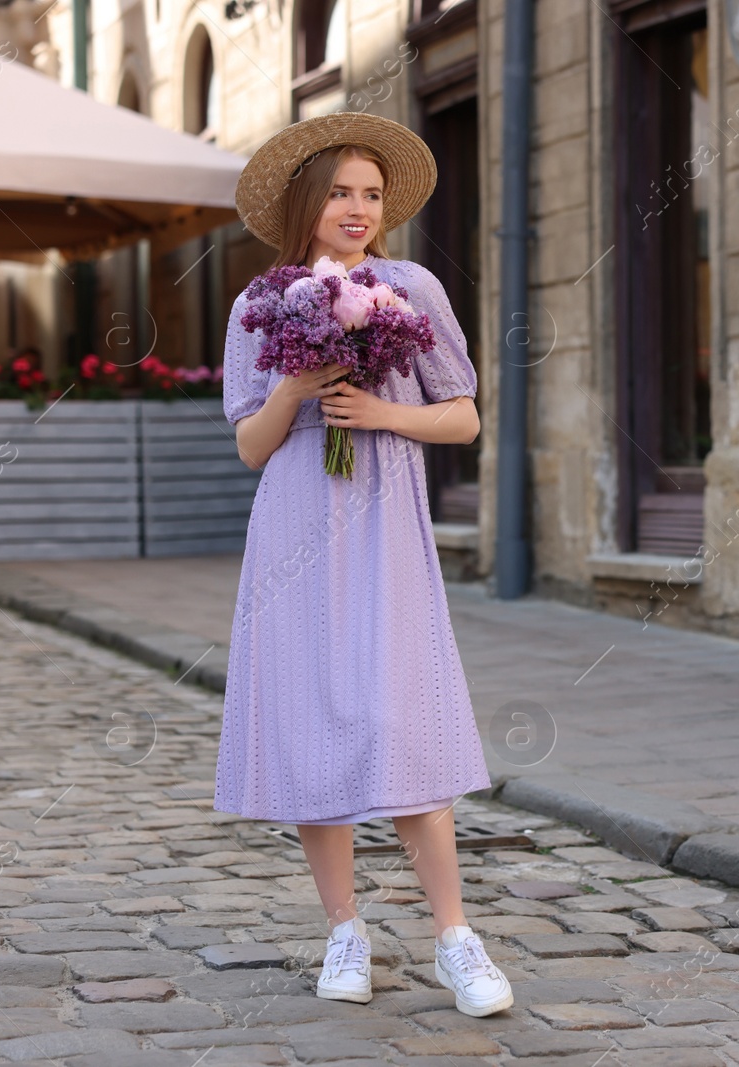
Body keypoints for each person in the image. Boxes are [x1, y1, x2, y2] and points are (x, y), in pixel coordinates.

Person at [216, 112, 510, 1016]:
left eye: (371, 195)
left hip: (385, 525)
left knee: (401, 721)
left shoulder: (413, 285)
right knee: (313, 727)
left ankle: (455, 935)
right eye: (341, 191)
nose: (357, 208)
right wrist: (297, 386)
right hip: (296, 523)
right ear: (307, 201)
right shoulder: (258, 304)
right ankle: (345, 930)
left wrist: (381, 414)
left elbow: (461, 417)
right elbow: (251, 446)